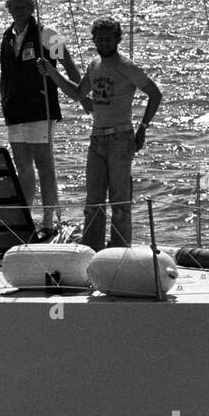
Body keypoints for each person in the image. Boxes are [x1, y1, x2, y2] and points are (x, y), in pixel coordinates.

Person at [41, 16, 162, 249]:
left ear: (117, 39)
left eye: (109, 39)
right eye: (100, 39)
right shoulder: (94, 65)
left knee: (120, 202)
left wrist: (143, 128)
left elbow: (155, 94)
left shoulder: (127, 66)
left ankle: (119, 253)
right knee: (93, 203)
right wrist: (51, 73)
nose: (105, 43)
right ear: (94, 40)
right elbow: (77, 94)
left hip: (120, 138)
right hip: (96, 139)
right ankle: (92, 251)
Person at [0, 0, 89, 236]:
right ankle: (26, 217)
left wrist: (82, 96)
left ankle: (49, 220)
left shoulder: (48, 34)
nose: (19, 11)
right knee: (22, 167)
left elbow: (70, 66)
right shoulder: (7, 36)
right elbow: (5, 75)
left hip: (41, 109)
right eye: (14, 7)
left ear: (32, 8)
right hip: (15, 112)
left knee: (45, 166)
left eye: (24, 7)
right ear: (8, 9)